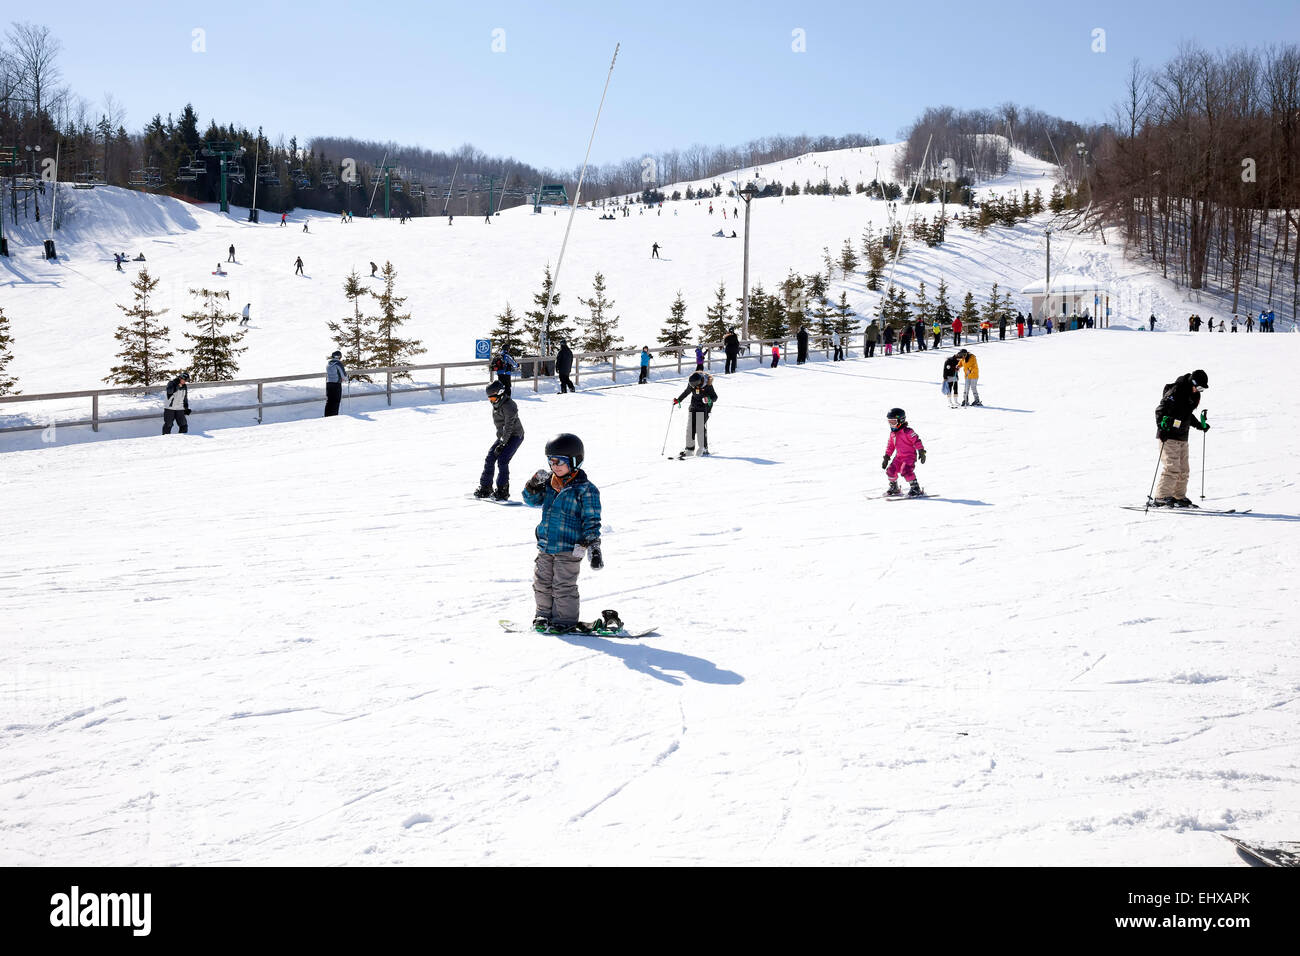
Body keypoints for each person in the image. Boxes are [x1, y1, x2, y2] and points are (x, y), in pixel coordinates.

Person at [522, 434, 603, 633]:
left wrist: (594, 546)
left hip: (570, 548)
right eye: (551, 461)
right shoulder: (550, 484)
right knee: (541, 583)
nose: (554, 466)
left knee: (563, 585)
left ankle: (564, 620)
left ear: (575, 461)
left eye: (559, 461)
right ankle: (543, 615)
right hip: (546, 544)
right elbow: (531, 500)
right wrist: (532, 485)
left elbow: (592, 520)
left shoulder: (585, 489)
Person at [1152, 369, 1210, 507]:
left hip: (1182, 436)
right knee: (1172, 467)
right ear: (1193, 383)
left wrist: (1200, 426)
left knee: (1184, 469)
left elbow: (1187, 415)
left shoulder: (1192, 394)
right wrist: (1162, 427)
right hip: (1168, 436)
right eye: (1200, 387)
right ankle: (1161, 496)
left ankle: (1178, 496)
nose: (1200, 391)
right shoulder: (1177, 391)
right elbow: (1160, 410)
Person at [474, 381, 524, 501]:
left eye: (492, 397)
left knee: (502, 460)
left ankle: (503, 490)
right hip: (503, 436)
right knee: (490, 457)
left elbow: (509, 427)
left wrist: (502, 443)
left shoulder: (509, 406)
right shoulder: (497, 404)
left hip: (515, 436)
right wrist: (501, 440)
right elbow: (501, 428)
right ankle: (486, 487)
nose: (491, 400)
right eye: (489, 398)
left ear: (500, 393)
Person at [881, 407, 926, 497]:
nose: (891, 425)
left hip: (909, 456)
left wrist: (921, 451)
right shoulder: (893, 433)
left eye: (893, 422)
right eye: (890, 422)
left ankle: (915, 488)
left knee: (905, 471)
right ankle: (894, 488)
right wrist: (886, 456)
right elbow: (891, 445)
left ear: (900, 420)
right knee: (890, 470)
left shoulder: (908, 431)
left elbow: (916, 441)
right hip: (899, 457)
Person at [673, 371, 718, 457]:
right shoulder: (692, 383)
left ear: (700, 382)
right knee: (690, 427)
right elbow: (686, 392)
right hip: (694, 405)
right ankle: (689, 449)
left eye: (695, 386)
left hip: (705, 407)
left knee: (699, 426)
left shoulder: (707, 384)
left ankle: (703, 448)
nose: (693, 387)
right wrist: (678, 400)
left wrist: (708, 399)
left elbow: (715, 397)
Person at [324, 351, 348, 416]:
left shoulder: (328, 364)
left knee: (329, 401)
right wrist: (346, 378)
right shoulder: (338, 364)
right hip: (336, 384)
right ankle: (334, 416)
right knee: (336, 401)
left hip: (329, 384)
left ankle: (327, 415)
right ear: (339, 356)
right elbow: (344, 376)